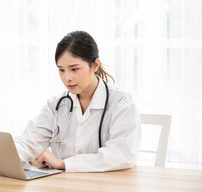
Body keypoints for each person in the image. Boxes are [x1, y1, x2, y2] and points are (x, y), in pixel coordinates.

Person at [14, 31, 141, 172]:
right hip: (65, 184)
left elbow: (123, 154)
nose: (67, 78)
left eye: (74, 69)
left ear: (95, 65)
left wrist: (63, 164)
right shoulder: (56, 104)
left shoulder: (121, 102)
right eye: (61, 70)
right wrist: (11, 156)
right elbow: (29, 141)